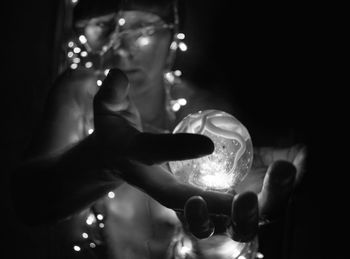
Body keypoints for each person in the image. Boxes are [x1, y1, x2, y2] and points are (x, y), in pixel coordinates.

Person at [11, 0, 306, 258]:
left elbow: (223, 236)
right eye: (102, 26)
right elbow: (28, 202)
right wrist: (100, 161)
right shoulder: (78, 93)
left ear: (171, 33)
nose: (120, 46)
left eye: (141, 27)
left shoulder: (204, 117)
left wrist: (218, 245)